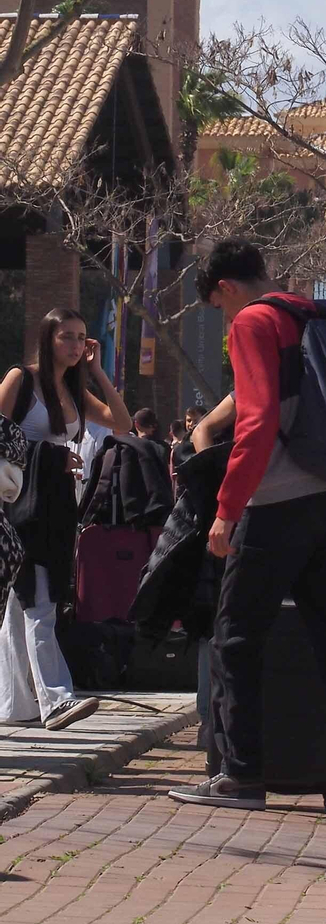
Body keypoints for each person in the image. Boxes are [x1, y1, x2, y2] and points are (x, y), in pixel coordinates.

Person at [166, 241, 326, 824]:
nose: (224, 320)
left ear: (224, 288)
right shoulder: (320, 317)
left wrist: (228, 507)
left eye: (218, 307)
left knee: (236, 636)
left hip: (276, 502)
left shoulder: (253, 321)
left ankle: (239, 773)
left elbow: (258, 420)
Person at [0, 309, 132, 732]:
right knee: (42, 599)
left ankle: (15, 704)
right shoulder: (22, 380)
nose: (76, 345)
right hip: (20, 507)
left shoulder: (74, 390)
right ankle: (56, 699)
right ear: (47, 339)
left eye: (81, 338)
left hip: (57, 507)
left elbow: (123, 424)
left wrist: (98, 372)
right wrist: (54, 456)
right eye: (66, 337)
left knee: (20, 608)